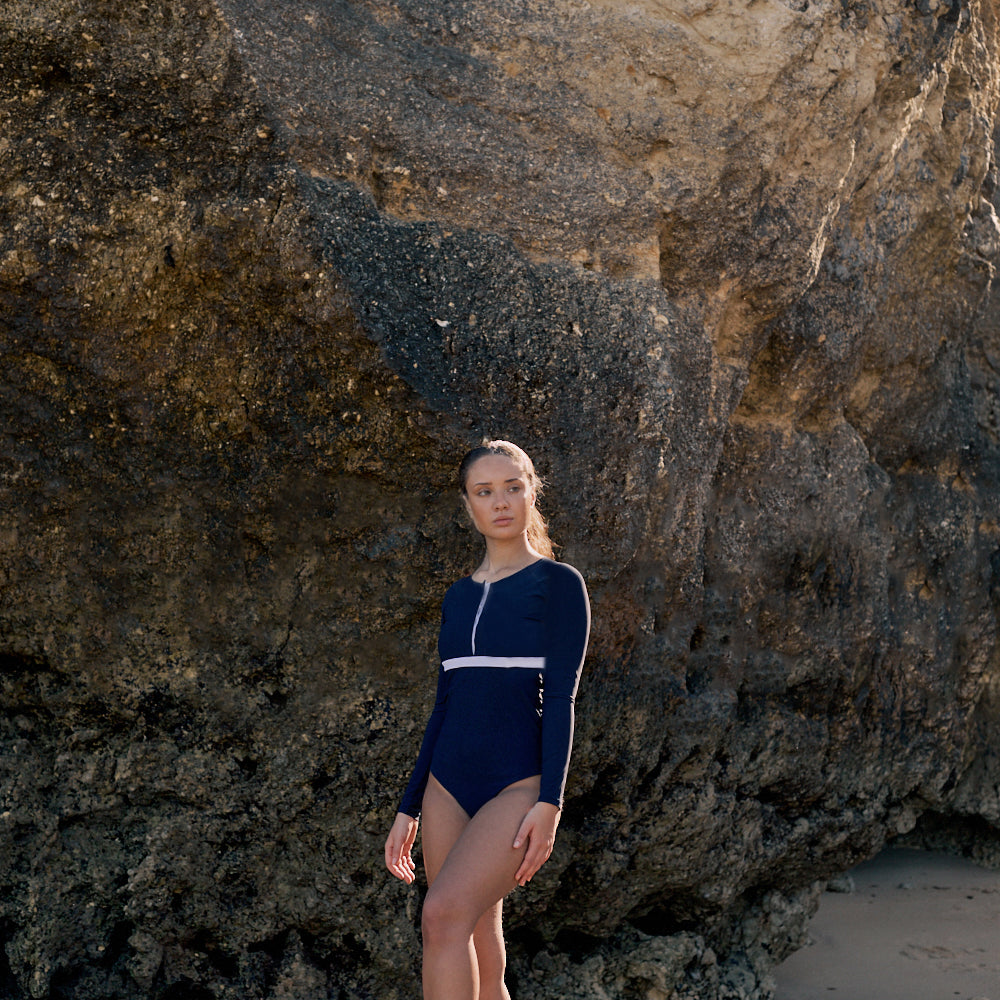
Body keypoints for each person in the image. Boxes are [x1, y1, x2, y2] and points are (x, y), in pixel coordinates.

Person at [384, 439, 591, 1000]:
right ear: (468, 504)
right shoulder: (456, 597)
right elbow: (444, 704)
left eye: (512, 487)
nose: (500, 502)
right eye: (485, 492)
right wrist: (408, 806)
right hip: (446, 786)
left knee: (442, 916)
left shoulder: (559, 584)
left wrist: (550, 802)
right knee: (476, 934)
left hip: (516, 786)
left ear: (530, 493)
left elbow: (563, 699)